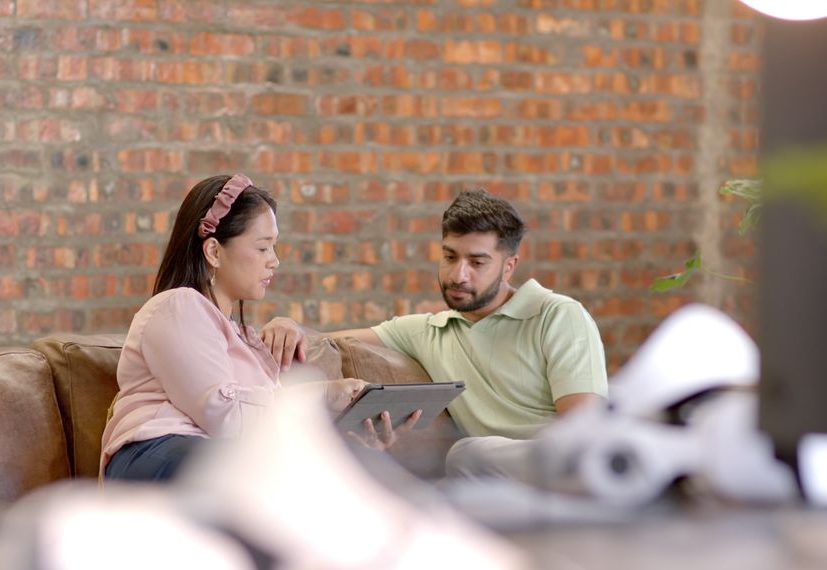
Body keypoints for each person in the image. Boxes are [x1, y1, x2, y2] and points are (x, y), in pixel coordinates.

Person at [260, 189, 608, 482]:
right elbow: (327, 339)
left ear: (509, 265)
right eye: (449, 256)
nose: (459, 275)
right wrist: (288, 324)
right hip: (493, 481)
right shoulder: (429, 330)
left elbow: (583, 429)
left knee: (468, 454)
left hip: (568, 464)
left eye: (477, 262)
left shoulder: (558, 315)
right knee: (460, 462)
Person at [101, 174, 419, 481]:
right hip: (160, 452)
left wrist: (354, 441)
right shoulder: (177, 305)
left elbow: (266, 425)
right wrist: (321, 396)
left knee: (348, 471)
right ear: (213, 251)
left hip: (220, 457)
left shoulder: (243, 340)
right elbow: (223, 414)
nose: (274, 261)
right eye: (263, 247)